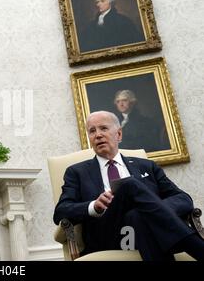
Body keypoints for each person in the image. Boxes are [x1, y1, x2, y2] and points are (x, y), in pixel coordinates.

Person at [53, 111, 204, 261]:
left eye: (103, 128)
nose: (97, 135)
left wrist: (152, 211)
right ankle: (197, 247)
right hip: (107, 236)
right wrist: (95, 206)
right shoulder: (77, 172)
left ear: (119, 134)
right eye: (92, 131)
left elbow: (183, 199)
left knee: (137, 215)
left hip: (144, 230)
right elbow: (61, 212)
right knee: (128, 184)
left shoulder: (147, 166)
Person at [79, 0, 145, 52]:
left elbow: (134, 41)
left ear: (110, 2)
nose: (98, 4)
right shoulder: (92, 24)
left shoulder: (123, 20)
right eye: (97, 2)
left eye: (102, 1)